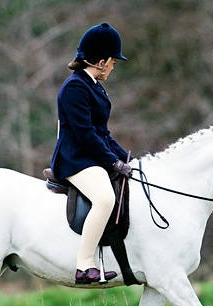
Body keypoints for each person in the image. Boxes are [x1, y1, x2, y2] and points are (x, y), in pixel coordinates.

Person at [50, 22, 132, 285]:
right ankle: (84, 265)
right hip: (75, 159)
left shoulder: (94, 85)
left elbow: (103, 133)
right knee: (106, 198)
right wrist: (112, 161)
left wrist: (128, 159)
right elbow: (85, 134)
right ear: (101, 61)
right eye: (113, 62)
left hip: (90, 155)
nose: (113, 67)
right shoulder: (75, 87)